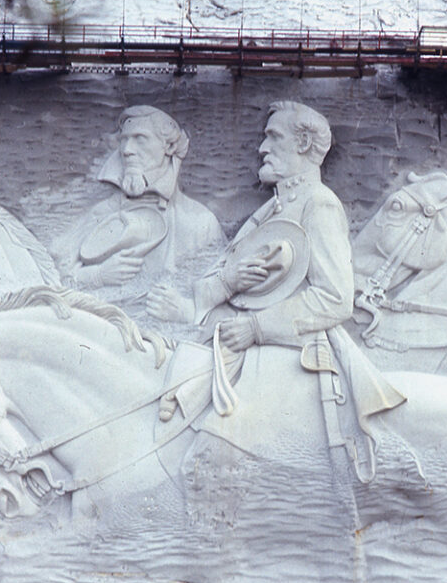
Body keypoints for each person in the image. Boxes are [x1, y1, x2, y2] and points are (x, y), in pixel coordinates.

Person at [149, 101, 405, 479]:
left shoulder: (318, 205)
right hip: (231, 344)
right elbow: (222, 275)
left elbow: (335, 298)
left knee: (214, 457)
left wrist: (257, 328)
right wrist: (227, 283)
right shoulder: (272, 209)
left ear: (303, 144)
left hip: (287, 355)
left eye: (273, 137)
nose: (262, 148)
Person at [50, 106, 222, 300]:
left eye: (140, 138)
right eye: (123, 140)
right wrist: (98, 275)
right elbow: (54, 271)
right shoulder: (101, 212)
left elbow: (217, 290)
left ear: (170, 147)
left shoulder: (200, 223)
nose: (126, 150)